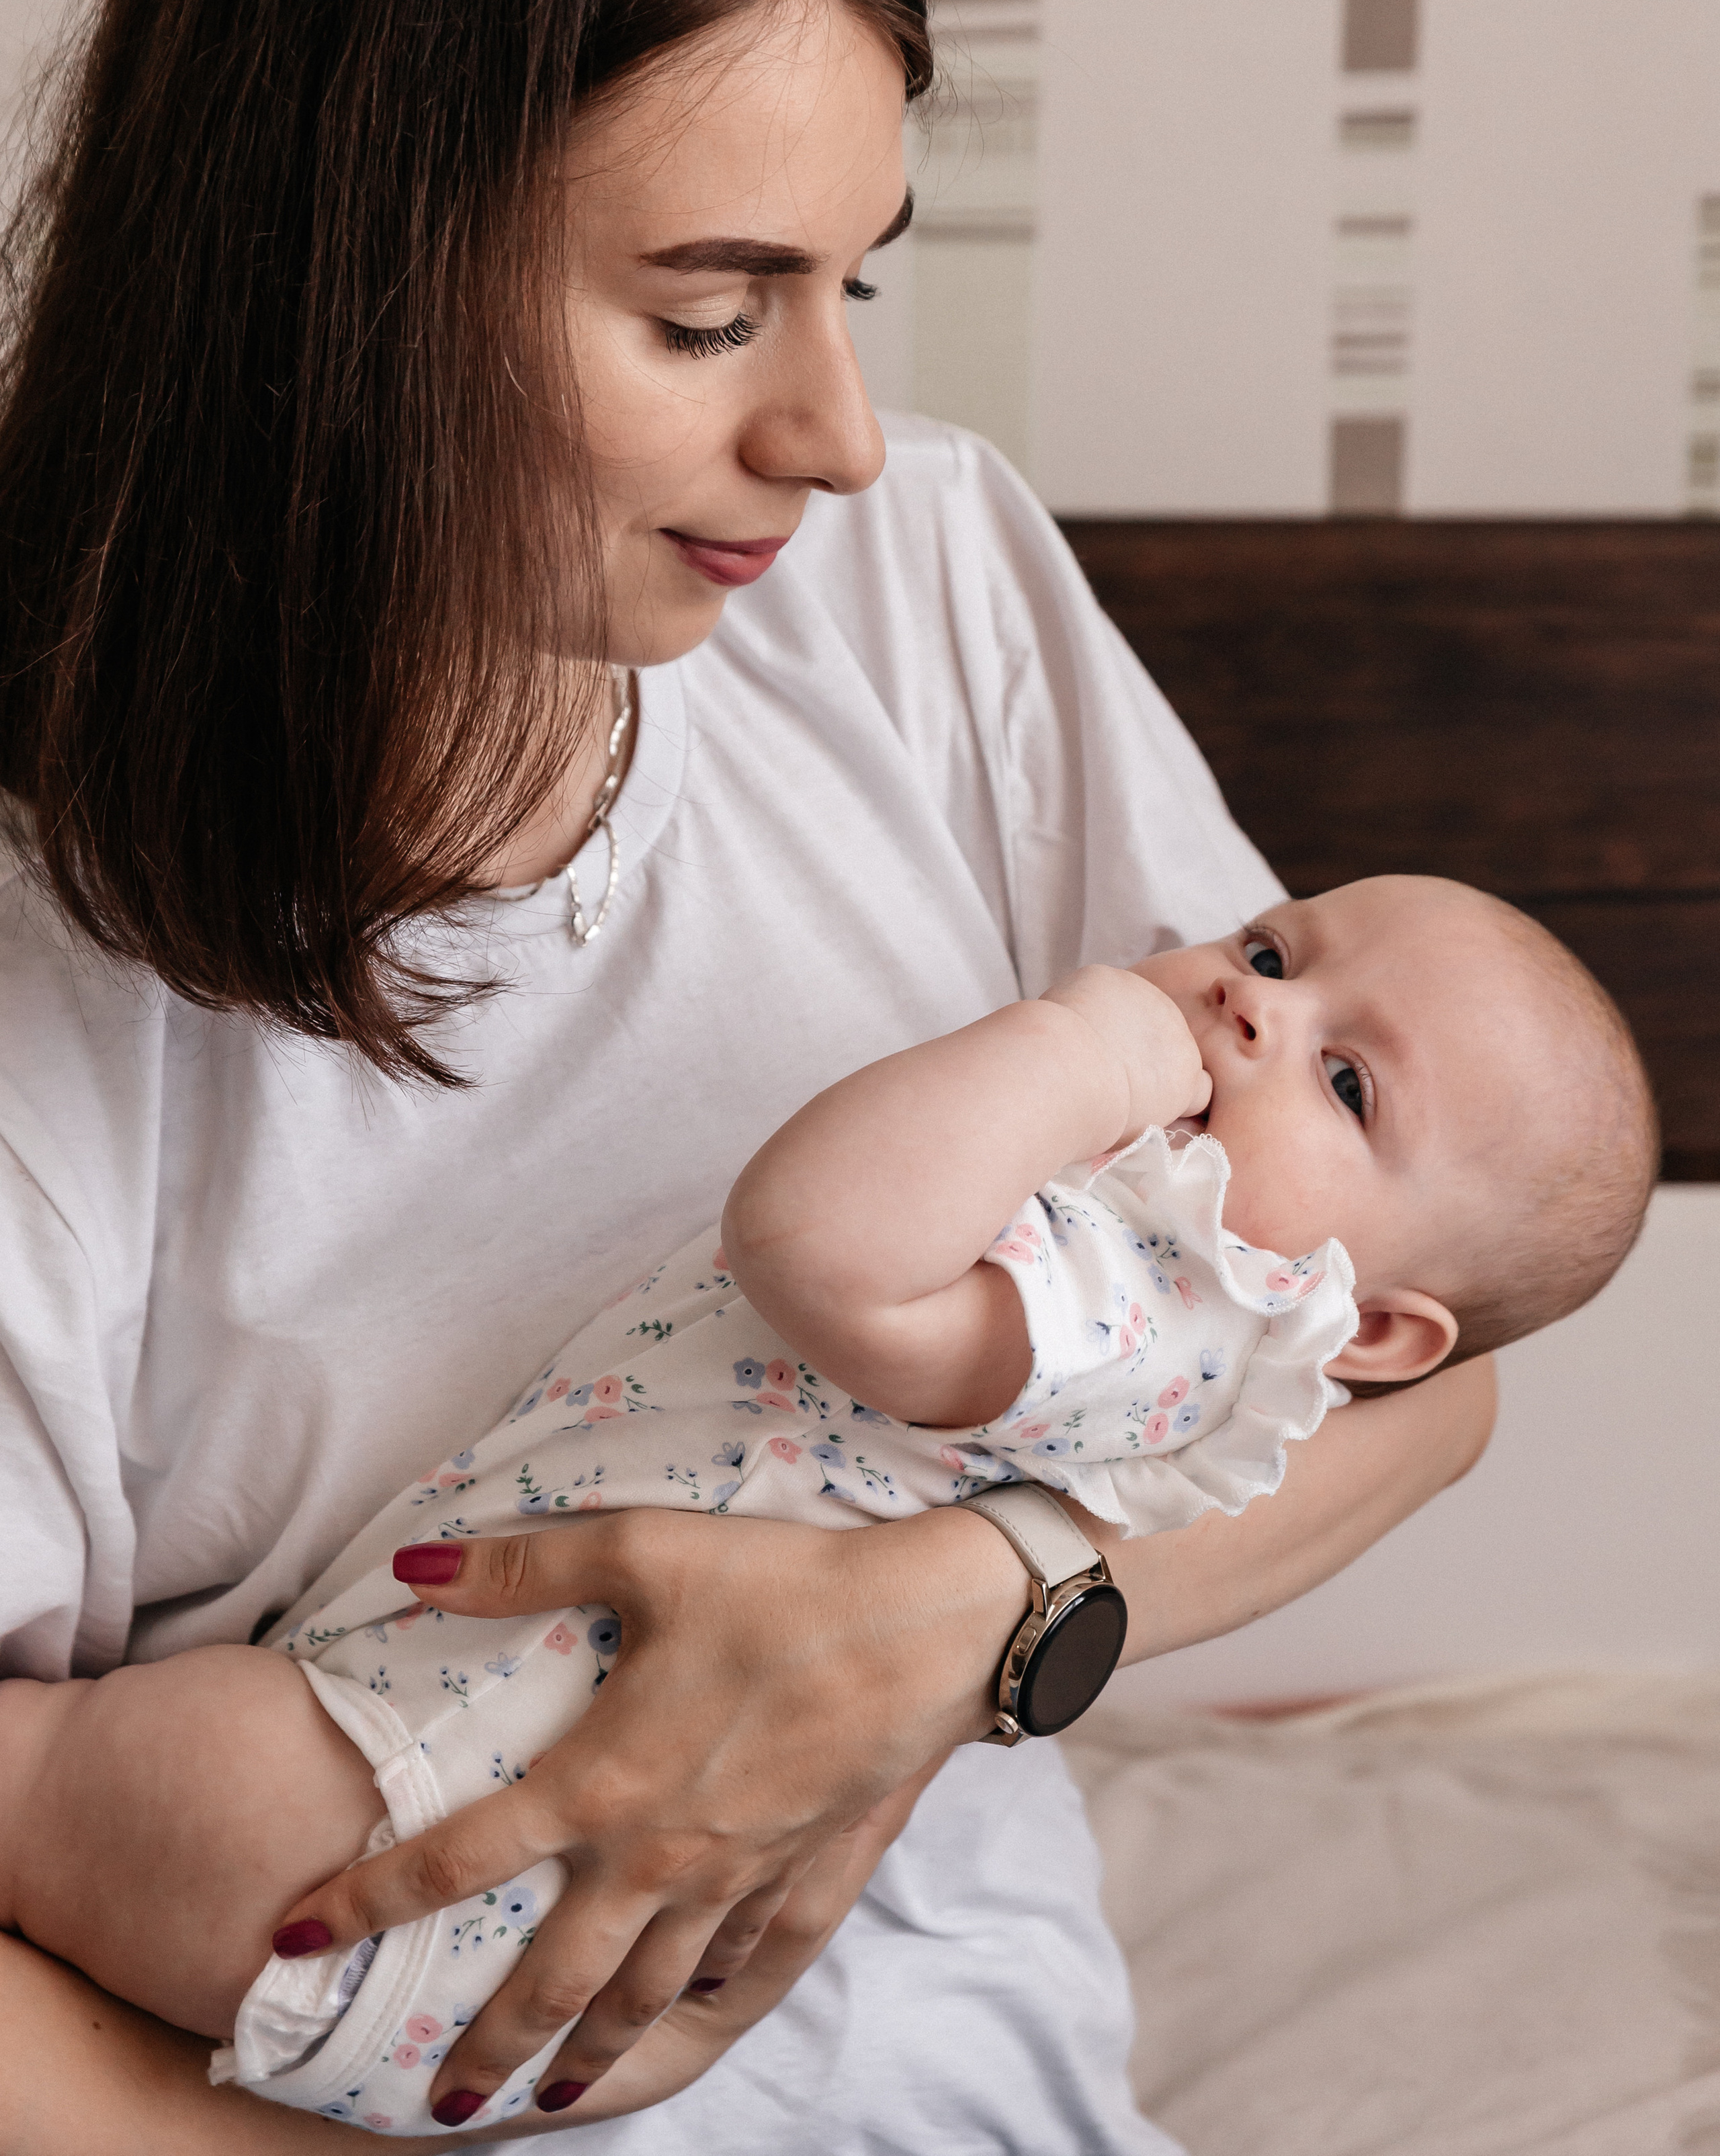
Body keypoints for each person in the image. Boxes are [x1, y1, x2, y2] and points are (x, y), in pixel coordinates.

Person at [0, 0, 1500, 2155]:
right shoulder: (53, 943)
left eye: (858, 283)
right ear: (332, 284)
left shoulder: (930, 587)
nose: (832, 433)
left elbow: (1406, 1361)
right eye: (707, 311)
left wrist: (971, 1617)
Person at [0, 877, 1653, 2137]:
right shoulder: (1166, 1295)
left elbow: (819, 1246)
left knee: (52, 1773)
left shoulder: (1145, 1298)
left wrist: (1085, 1040)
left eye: (1346, 1084)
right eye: (1275, 954)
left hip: (407, 1805)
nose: (1243, 1006)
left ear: (1361, 1332)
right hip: (577, 1954)